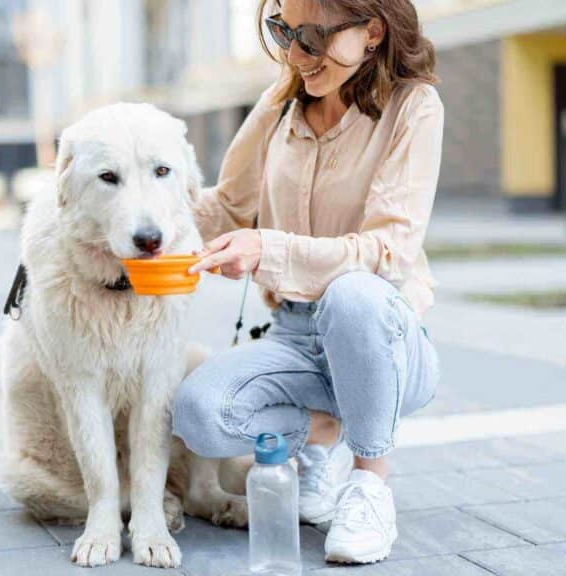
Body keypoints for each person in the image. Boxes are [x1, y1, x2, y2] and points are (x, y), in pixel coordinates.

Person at [173, 0, 442, 565]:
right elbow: (226, 206)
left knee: (354, 292)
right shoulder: (278, 106)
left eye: (313, 38)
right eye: (284, 33)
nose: (296, 55)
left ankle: (370, 481)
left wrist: (266, 248)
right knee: (198, 414)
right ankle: (323, 435)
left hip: (383, 339)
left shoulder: (413, 107)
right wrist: (132, 214)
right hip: (294, 335)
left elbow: (386, 253)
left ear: (371, 31)